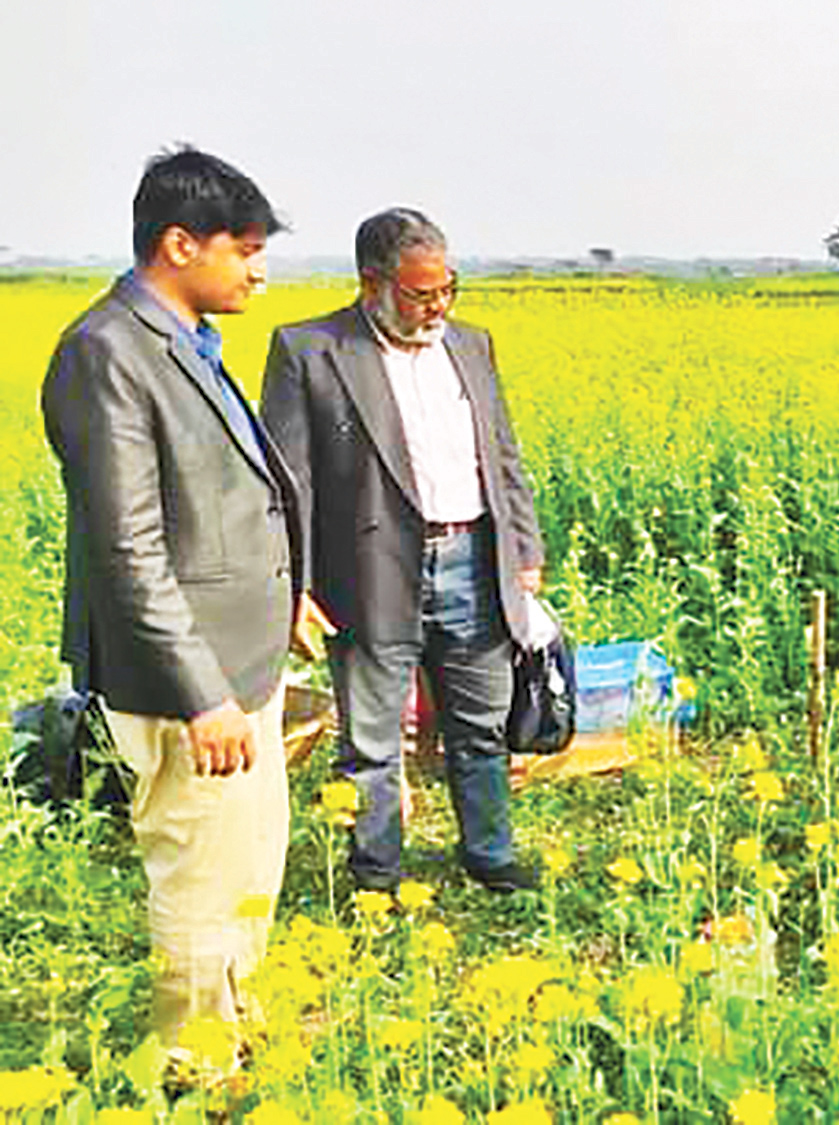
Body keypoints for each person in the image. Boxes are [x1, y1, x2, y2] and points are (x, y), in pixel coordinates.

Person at [42, 147, 317, 1049]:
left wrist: (285, 601)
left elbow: (220, 504)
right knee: (200, 878)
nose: (259, 270)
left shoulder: (188, 343)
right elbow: (129, 549)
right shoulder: (106, 353)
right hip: (192, 686)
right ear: (178, 243)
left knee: (247, 865)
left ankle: (239, 1025)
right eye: (243, 250)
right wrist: (203, 693)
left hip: (244, 663)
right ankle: (199, 1068)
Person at [260, 207, 546, 894]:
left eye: (448, 288)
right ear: (371, 284)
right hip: (368, 573)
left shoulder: (471, 346)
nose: (437, 306)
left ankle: (489, 854)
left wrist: (525, 548)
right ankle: (378, 873)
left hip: (474, 560)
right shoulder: (311, 350)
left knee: (482, 724)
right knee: (371, 740)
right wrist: (294, 584)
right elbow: (286, 481)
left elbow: (501, 456)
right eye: (421, 294)